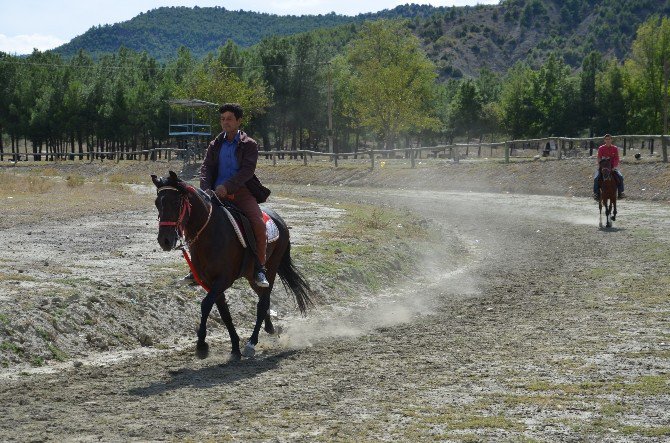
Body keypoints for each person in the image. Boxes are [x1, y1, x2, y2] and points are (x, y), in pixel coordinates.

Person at [193, 103, 271, 287]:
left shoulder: (249, 145)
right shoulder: (215, 144)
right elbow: (206, 168)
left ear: (238, 121)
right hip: (214, 193)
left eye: (229, 118)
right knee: (195, 222)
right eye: (222, 119)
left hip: (241, 192)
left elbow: (247, 171)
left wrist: (227, 187)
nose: (225, 122)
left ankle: (259, 268)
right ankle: (195, 268)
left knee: (259, 224)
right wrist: (205, 189)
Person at [593, 134, 625, 200]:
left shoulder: (615, 148)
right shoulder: (601, 148)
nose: (608, 140)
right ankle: (596, 193)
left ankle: (620, 193)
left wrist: (614, 167)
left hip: (612, 168)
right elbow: (599, 157)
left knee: (620, 177)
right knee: (596, 178)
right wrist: (601, 166)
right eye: (606, 139)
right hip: (603, 168)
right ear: (604, 140)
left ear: (611, 140)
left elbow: (616, 158)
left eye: (609, 139)